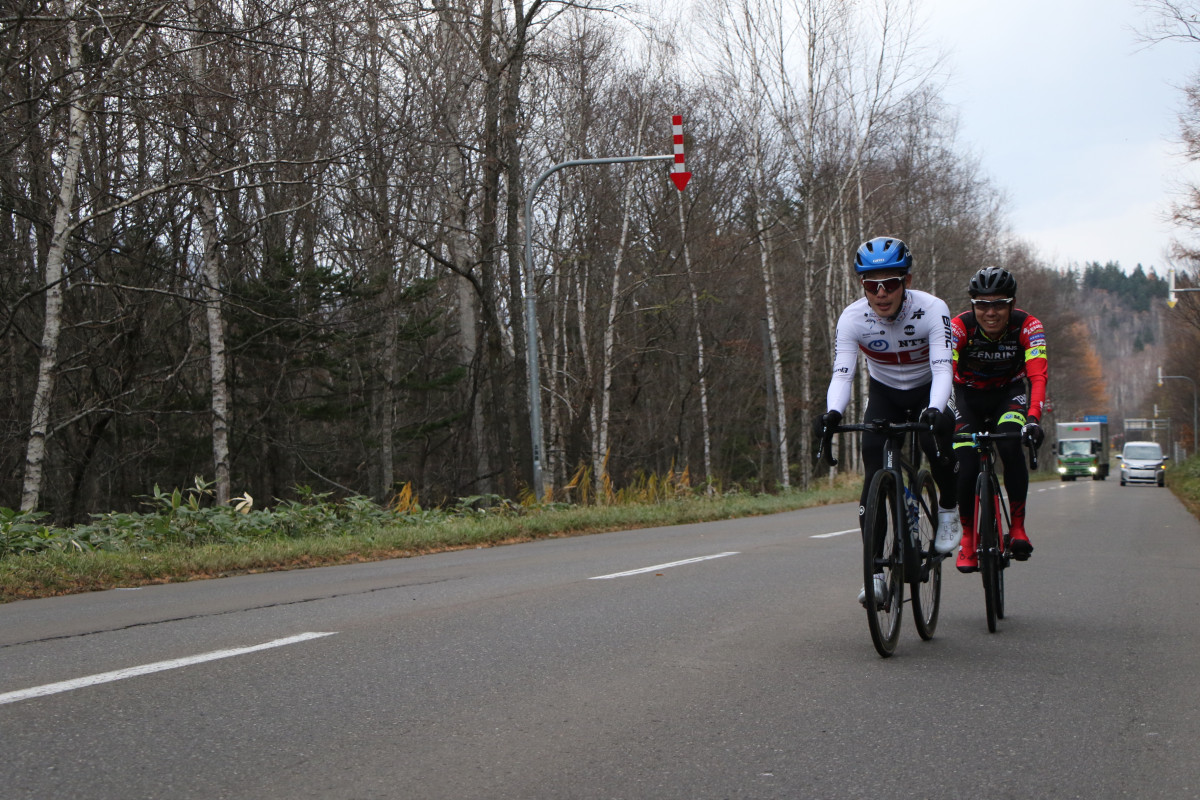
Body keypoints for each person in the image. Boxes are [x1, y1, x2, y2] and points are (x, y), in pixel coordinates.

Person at [813, 236, 960, 606]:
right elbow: (842, 375)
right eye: (870, 285)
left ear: (906, 281)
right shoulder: (852, 318)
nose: (880, 293)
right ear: (862, 285)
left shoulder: (931, 309)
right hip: (885, 395)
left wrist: (936, 408)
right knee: (873, 473)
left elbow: (944, 368)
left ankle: (947, 511)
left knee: (935, 440)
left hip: (929, 389)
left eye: (890, 283)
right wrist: (832, 414)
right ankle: (876, 576)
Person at [949, 266, 1047, 572]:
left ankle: (1017, 528)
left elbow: (1038, 376)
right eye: (982, 305)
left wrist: (1033, 418)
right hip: (968, 397)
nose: (990, 313)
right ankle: (967, 540)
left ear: (1012, 304)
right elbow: (943, 371)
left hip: (1009, 395)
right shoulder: (958, 327)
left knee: (1009, 444)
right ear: (973, 304)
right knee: (965, 463)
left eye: (999, 304)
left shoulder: (1029, 326)